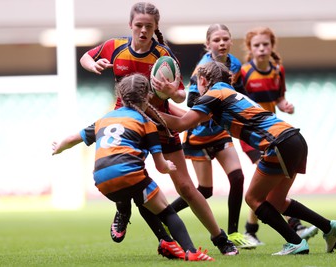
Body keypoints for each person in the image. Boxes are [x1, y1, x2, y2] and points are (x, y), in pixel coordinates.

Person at [79, 2, 238, 257]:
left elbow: (180, 95)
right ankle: (125, 211)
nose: (143, 30)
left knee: (186, 187)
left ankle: (220, 238)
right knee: (128, 177)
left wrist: (172, 92)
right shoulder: (115, 47)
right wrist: (93, 65)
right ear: (131, 25)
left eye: (149, 27)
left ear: (155, 28)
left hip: (160, 123)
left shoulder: (163, 56)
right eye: (139, 25)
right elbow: (86, 56)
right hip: (127, 125)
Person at [153, 60, 336, 255]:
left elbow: (180, 125)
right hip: (294, 139)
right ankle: (329, 227)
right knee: (277, 201)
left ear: (203, 80)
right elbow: (190, 118)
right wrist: (167, 104)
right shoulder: (227, 94)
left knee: (253, 198)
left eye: (197, 83)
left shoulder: (213, 95)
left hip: (277, 143)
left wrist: (147, 109)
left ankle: (295, 242)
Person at [51, 74, 214, 261]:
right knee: (165, 210)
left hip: (101, 181)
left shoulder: (105, 119)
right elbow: (161, 167)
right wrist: (169, 166)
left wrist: (59, 147)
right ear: (148, 96)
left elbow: (72, 139)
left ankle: (130, 214)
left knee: (141, 193)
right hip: (128, 175)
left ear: (120, 95)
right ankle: (191, 252)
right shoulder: (146, 123)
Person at [169, 24, 256, 249]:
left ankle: (235, 233)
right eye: (217, 40)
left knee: (237, 178)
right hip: (198, 135)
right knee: (204, 191)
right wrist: (216, 106)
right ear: (208, 45)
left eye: (225, 39)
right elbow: (191, 102)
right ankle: (165, 213)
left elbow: (241, 92)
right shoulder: (202, 69)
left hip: (220, 132)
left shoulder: (235, 64)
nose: (222, 43)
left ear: (231, 41)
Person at [240, 26, 318, 245]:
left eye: (265, 44)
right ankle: (295, 224)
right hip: (251, 135)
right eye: (257, 45)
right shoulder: (244, 73)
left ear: (272, 46)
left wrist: (286, 106)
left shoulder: (277, 71)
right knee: (267, 181)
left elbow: (279, 99)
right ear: (250, 48)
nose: (262, 48)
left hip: (272, 134)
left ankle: (251, 229)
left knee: (263, 187)